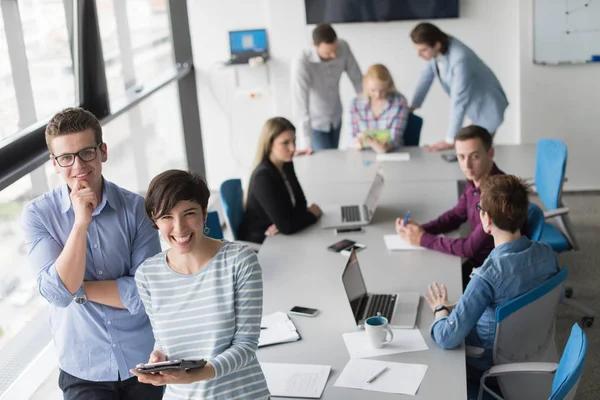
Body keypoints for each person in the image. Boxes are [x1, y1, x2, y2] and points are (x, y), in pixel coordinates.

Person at [21, 108, 163, 399]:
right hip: (84, 368)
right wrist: (80, 223)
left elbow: (145, 294)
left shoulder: (137, 209)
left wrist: (78, 289)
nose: (78, 166)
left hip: (143, 361)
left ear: (103, 152)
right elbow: (58, 295)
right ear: (55, 164)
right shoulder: (38, 215)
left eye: (87, 152)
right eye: (66, 158)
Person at [130, 169, 271, 400]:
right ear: (155, 220)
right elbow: (164, 339)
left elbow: (246, 346)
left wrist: (200, 374)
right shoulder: (147, 275)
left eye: (189, 213)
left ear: (205, 213)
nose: (179, 227)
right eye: (167, 216)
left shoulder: (240, 260)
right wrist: (159, 356)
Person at [422, 174, 559, 395]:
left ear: (486, 220)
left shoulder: (487, 277)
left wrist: (441, 310)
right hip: (533, 348)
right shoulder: (547, 253)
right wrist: (462, 304)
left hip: (488, 364)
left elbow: (447, 338)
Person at [396, 125, 509, 288]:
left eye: (475, 156)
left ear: (490, 153)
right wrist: (420, 229)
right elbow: (456, 215)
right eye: (461, 157)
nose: (467, 165)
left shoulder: (496, 196)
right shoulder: (475, 181)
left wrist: (422, 239)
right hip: (478, 262)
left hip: (491, 273)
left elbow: (468, 248)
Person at [409, 22, 508, 152]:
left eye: (423, 50)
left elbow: (459, 99)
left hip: (488, 107)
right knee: (471, 152)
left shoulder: (460, 58)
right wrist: (413, 106)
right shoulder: (436, 49)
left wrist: (450, 140)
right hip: (474, 106)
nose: (419, 55)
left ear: (437, 45)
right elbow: (425, 78)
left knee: (478, 154)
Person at [237, 117, 322, 243]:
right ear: (269, 144)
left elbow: (301, 203)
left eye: (294, 141)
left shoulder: (286, 164)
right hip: (262, 240)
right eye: (285, 143)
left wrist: (289, 221)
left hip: (280, 236)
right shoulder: (263, 177)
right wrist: (312, 214)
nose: (292, 148)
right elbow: (287, 227)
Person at [292, 23, 362, 152]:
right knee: (325, 162)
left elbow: (358, 81)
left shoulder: (343, 47)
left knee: (334, 156)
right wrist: (306, 143)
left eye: (335, 50)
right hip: (315, 123)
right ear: (315, 46)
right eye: (328, 53)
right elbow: (301, 104)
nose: (334, 56)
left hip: (336, 116)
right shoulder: (302, 62)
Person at [350, 64, 410, 153]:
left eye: (382, 90)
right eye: (373, 90)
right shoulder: (355, 104)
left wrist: (384, 148)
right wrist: (357, 143)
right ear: (366, 86)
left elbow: (396, 137)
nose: (378, 95)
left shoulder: (399, 102)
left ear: (389, 86)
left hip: (392, 153)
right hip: (364, 153)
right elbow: (353, 135)